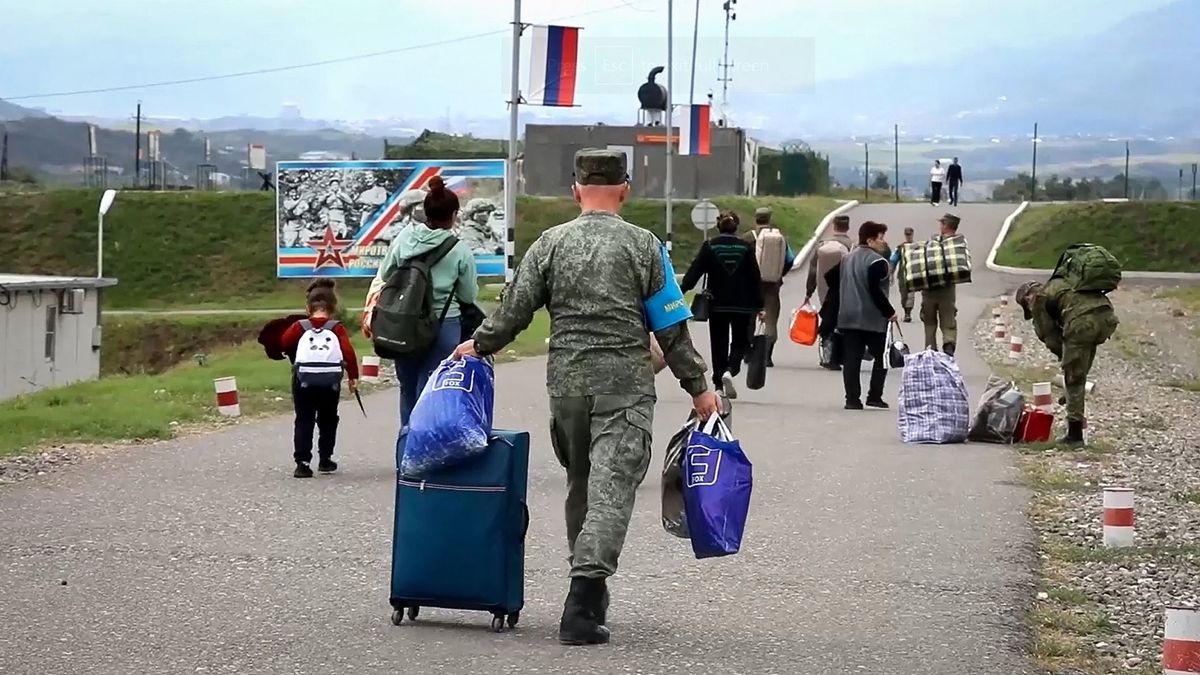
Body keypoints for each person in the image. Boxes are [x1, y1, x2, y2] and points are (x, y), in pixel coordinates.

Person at [451, 149, 718, 646]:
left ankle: (588, 590)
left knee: (583, 485)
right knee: (613, 489)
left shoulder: (549, 244)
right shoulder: (645, 247)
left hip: (568, 389)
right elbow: (673, 330)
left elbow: (514, 311)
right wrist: (699, 388)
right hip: (625, 389)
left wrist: (480, 344)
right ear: (626, 189)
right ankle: (583, 599)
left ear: (575, 190)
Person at [361, 175, 480, 427]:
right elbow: (468, 296)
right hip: (443, 326)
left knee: (407, 387)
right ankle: (428, 448)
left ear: (425, 211)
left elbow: (385, 275)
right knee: (434, 387)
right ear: (454, 214)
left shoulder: (404, 238)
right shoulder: (459, 250)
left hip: (403, 322)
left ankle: (406, 448)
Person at [1015, 278, 1118, 445]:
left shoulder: (1039, 299)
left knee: (1073, 378)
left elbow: (1050, 337)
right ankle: (1072, 400)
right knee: (1079, 369)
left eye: (1027, 307)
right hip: (1106, 318)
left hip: (1082, 323)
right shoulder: (1061, 283)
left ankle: (1075, 436)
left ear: (1027, 298)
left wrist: (1066, 363)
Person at [280, 279, 359, 478]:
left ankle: (303, 463)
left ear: (308, 307)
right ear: (333, 307)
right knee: (328, 419)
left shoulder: (300, 326)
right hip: (329, 382)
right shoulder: (336, 327)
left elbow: (284, 341)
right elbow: (348, 353)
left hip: (303, 380)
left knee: (304, 419)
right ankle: (325, 459)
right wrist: (353, 377)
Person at [681, 210, 763, 399]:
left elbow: (694, 272)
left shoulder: (710, 246)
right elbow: (755, 277)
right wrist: (760, 305)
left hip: (716, 303)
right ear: (737, 227)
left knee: (718, 342)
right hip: (742, 305)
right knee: (740, 340)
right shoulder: (745, 247)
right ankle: (730, 369)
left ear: (718, 226)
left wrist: (681, 292)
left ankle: (718, 383)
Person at [836, 221, 897, 410]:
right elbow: (875, 290)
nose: (883, 242)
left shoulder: (847, 258)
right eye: (881, 238)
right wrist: (890, 312)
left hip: (847, 315)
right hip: (871, 317)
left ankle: (852, 399)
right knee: (882, 356)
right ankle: (874, 395)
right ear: (870, 240)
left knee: (851, 359)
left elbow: (834, 281)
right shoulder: (877, 262)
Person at [743, 206, 794, 366]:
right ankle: (767, 355)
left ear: (755, 219)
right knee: (771, 320)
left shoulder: (747, 238)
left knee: (748, 320)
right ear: (769, 219)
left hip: (750, 286)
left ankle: (749, 353)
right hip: (772, 286)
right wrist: (779, 275)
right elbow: (790, 259)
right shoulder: (779, 238)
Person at [804, 214, 854, 370]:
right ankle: (840, 356)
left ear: (834, 226)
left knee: (827, 321)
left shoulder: (822, 245)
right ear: (848, 227)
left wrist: (809, 291)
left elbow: (813, 270)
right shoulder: (851, 246)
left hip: (823, 292)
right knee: (842, 324)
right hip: (844, 292)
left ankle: (826, 355)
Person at [920, 214, 967, 356]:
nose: (939, 226)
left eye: (941, 224)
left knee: (929, 321)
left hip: (929, 290)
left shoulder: (933, 242)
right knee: (948, 320)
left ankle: (930, 348)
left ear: (945, 225)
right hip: (947, 289)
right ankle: (949, 345)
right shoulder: (959, 243)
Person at [889, 227, 917, 322]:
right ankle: (905, 309)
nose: (908, 236)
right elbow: (894, 259)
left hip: (913, 274)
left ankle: (908, 313)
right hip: (902, 275)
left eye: (910, 234)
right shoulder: (900, 247)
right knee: (904, 295)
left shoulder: (916, 247)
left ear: (912, 234)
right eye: (907, 234)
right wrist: (891, 271)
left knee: (910, 295)